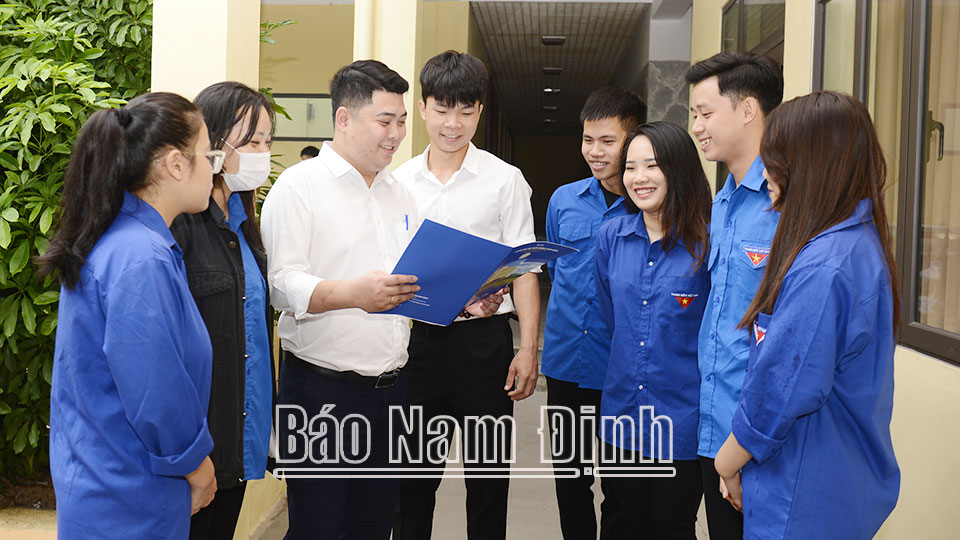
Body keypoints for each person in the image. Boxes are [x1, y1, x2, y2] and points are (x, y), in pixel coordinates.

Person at [714, 91, 901, 538]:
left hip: (802, 493)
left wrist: (726, 462)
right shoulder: (855, 243)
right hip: (836, 486)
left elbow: (779, 390)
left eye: (774, 160)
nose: (766, 172)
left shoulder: (824, 266)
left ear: (809, 165)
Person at [42, 92, 220, 538]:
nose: (214, 168)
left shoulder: (127, 240)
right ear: (176, 164)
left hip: (109, 481)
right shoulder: (141, 256)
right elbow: (156, 389)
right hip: (130, 496)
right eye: (208, 155)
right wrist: (197, 467)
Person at [391, 50, 539, 540]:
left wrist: (528, 350)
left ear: (479, 111)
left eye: (466, 110)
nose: (452, 124)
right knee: (411, 487)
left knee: (488, 482)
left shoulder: (505, 180)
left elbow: (524, 270)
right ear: (423, 108)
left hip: (483, 346)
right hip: (414, 346)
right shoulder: (396, 182)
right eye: (441, 109)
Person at [594, 122, 712, 539]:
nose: (638, 177)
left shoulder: (707, 244)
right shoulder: (611, 237)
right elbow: (613, 319)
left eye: (652, 165)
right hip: (621, 416)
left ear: (677, 169)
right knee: (624, 523)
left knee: (672, 528)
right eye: (630, 167)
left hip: (680, 422)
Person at [169, 81, 276, 540]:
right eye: (251, 142)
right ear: (212, 143)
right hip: (199, 443)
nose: (262, 154)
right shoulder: (182, 224)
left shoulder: (245, 222)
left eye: (268, 142)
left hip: (240, 436)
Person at [685, 52, 783, 540]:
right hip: (714, 423)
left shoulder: (786, 201)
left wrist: (746, 443)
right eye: (693, 115)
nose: (696, 127)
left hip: (761, 436)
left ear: (748, 109)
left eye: (705, 113)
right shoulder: (722, 201)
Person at [541, 86, 646, 540]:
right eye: (588, 140)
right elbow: (553, 269)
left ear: (633, 140)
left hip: (621, 369)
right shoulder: (563, 200)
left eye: (608, 141)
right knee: (571, 479)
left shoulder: (648, 205)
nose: (595, 151)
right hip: (565, 362)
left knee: (621, 485)